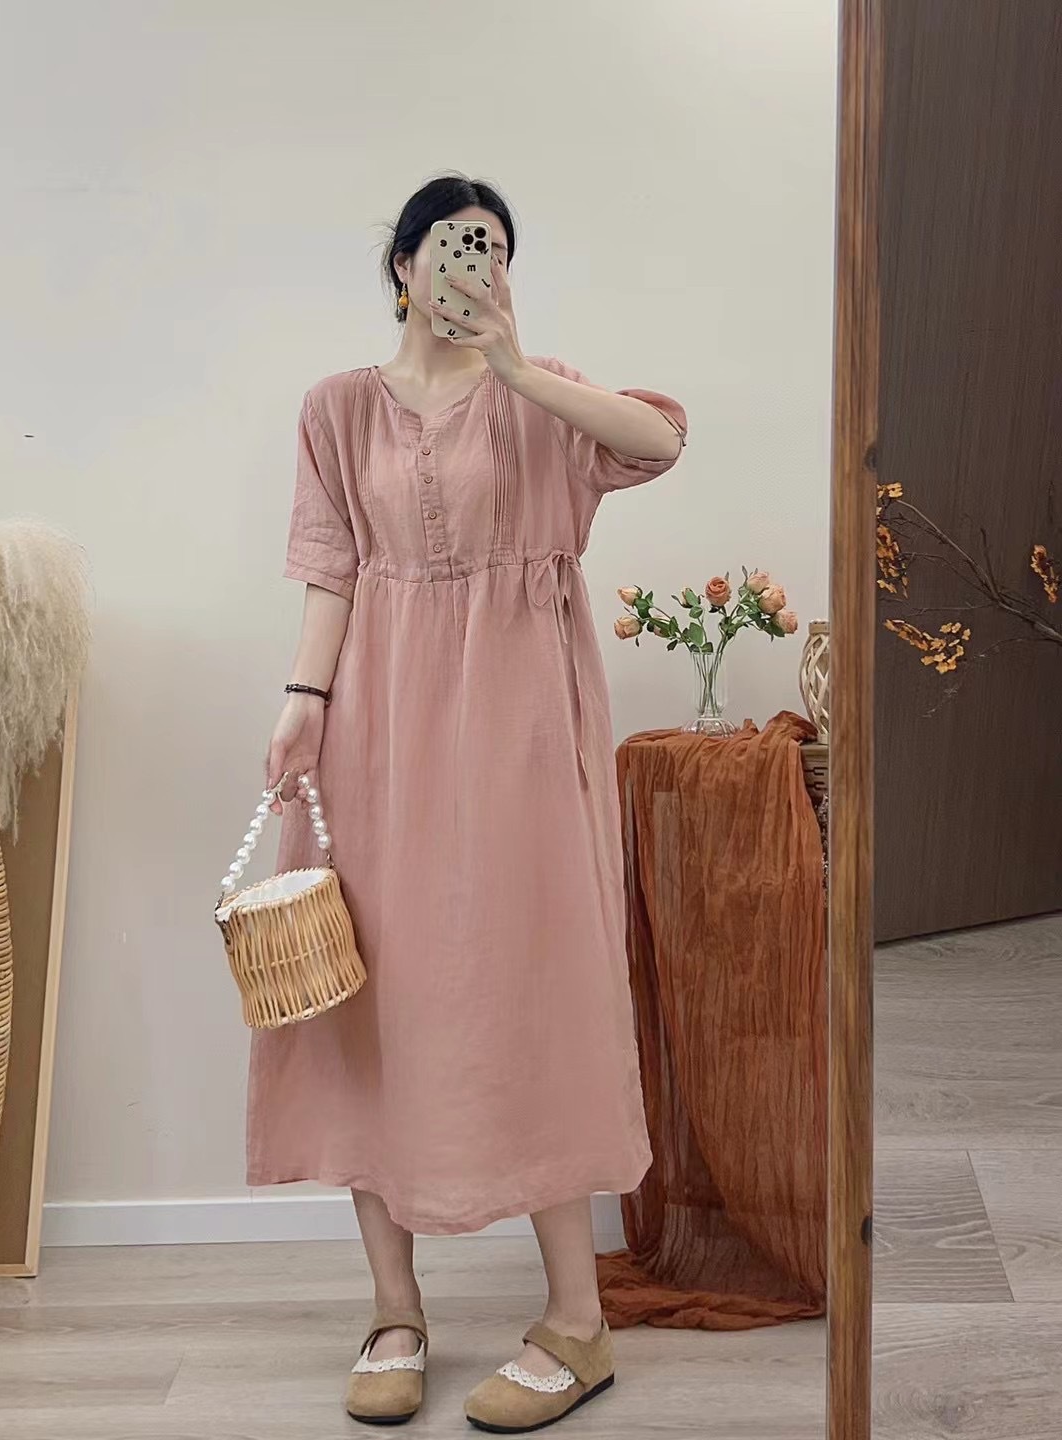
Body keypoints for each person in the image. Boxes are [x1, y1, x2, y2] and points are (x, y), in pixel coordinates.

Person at [249, 174, 687, 1432]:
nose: (468, 268)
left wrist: (517, 365)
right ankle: (395, 1309)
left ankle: (578, 1321)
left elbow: (657, 442)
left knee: (531, 989)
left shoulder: (537, 395)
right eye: (448, 247)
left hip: (518, 732)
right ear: (402, 267)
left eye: (491, 250)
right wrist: (302, 700)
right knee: (369, 995)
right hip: (374, 729)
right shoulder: (337, 409)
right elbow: (333, 571)